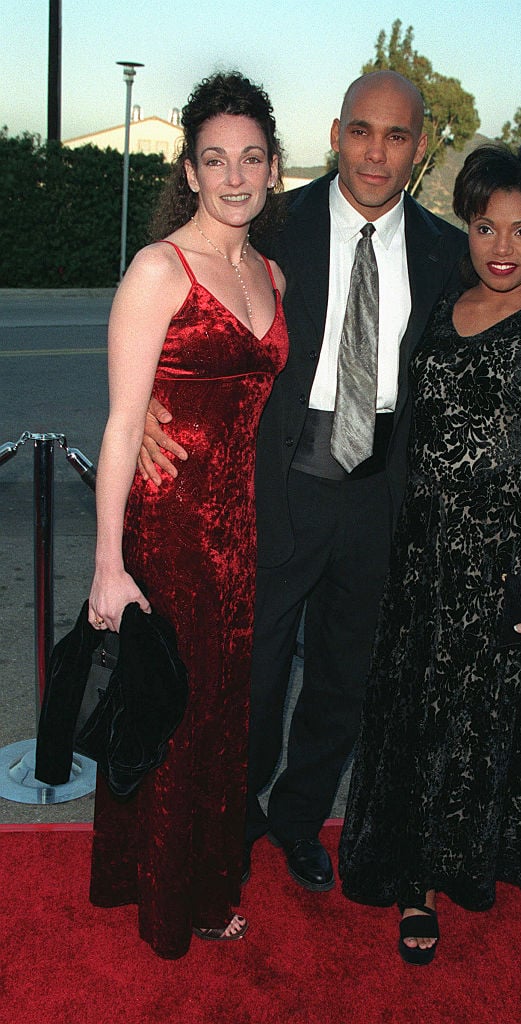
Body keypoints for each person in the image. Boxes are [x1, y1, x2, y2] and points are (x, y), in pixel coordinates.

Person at [139, 73, 521, 894]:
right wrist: (154, 392)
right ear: (334, 134)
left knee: (344, 676)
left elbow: (512, 317)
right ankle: (238, 803)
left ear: (421, 147)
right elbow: (180, 300)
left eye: (396, 136)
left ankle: (297, 820)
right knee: (251, 674)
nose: (376, 151)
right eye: (361, 131)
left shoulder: (444, 248)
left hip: (381, 493)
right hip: (276, 483)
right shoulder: (271, 223)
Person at [338, 144, 521, 965]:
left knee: (480, 720)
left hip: (504, 560)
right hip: (421, 557)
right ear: (467, 223)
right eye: (486, 225)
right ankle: (414, 879)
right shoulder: (442, 308)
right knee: (417, 717)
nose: (501, 246)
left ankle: (461, 861)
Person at [87, 72, 288, 959]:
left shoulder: (270, 271)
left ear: (275, 168)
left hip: (240, 533)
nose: (234, 176)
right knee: (172, 707)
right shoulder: (157, 269)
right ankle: (175, 903)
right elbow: (124, 424)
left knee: (218, 715)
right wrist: (106, 564)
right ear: (191, 170)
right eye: (216, 159)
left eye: (250, 157)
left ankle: (192, 877)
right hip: (167, 529)